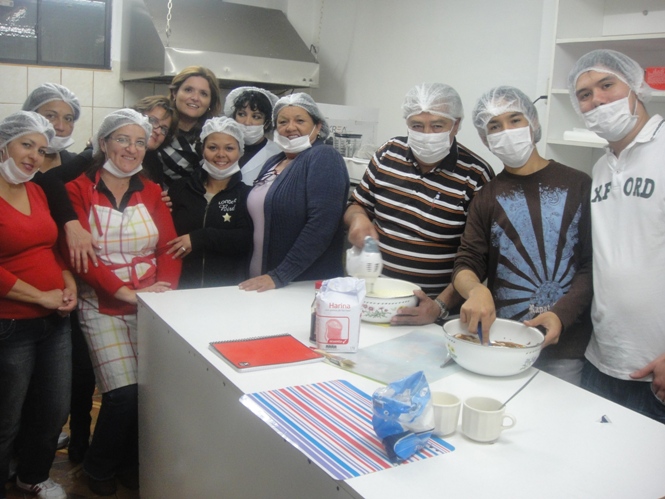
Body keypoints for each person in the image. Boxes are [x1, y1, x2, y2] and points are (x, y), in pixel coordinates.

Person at [65, 109, 181, 494]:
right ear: (103, 143)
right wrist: (122, 292)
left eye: (137, 141)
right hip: (102, 303)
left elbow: (168, 246)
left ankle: (130, 463)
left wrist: (163, 289)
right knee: (122, 392)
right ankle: (97, 468)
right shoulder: (79, 189)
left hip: (152, 302)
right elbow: (80, 257)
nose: (130, 148)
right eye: (121, 139)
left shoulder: (150, 191)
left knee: (150, 391)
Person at [452, 86, 593, 385]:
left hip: (565, 349)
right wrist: (476, 290)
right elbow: (467, 262)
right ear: (484, 138)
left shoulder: (578, 185)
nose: (506, 131)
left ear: (534, 122)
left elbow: (591, 265)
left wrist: (560, 315)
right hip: (504, 341)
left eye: (515, 120)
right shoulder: (486, 197)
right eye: (494, 126)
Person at [344, 83, 494, 325]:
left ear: (456, 124)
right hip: (377, 300)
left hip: (434, 314)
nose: (426, 134)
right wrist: (358, 218)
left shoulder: (476, 175)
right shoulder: (387, 154)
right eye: (417, 125)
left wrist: (439, 307)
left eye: (437, 125)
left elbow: (479, 258)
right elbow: (357, 204)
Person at [568, 49, 665, 421]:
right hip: (602, 358)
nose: (597, 100)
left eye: (607, 85)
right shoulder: (601, 167)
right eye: (585, 94)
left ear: (636, 86)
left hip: (655, 371)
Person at [0, 111, 75, 499]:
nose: (34, 156)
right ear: (4, 144)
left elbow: (50, 248)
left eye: (42, 150)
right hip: (11, 324)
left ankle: (32, 475)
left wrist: (66, 282)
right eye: (26, 145)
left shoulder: (36, 189)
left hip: (54, 320)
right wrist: (39, 296)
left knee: (52, 407)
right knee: (7, 416)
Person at [239, 93, 349, 292]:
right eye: (282, 121)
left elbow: (322, 225)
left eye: (300, 120)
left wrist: (281, 274)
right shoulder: (274, 162)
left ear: (318, 127)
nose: (290, 127)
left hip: (301, 284)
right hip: (265, 281)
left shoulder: (324, 157)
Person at [167, 116, 253, 288]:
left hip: (228, 292)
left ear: (240, 152)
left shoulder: (248, 195)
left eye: (229, 148)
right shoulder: (180, 189)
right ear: (202, 150)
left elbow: (246, 239)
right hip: (182, 289)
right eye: (213, 147)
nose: (221, 155)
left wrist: (200, 238)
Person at [160, 66, 221, 187]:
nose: (195, 98)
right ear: (174, 93)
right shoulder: (158, 130)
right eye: (188, 90)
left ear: (210, 102)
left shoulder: (216, 136)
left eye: (203, 94)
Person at [223, 86, 281, 185]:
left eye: (256, 116)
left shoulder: (277, 154)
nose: (247, 122)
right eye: (241, 114)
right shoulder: (221, 147)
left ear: (267, 123)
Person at [131, 95, 178, 187]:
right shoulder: (115, 150)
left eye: (164, 129)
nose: (158, 131)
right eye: (152, 121)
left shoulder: (155, 164)